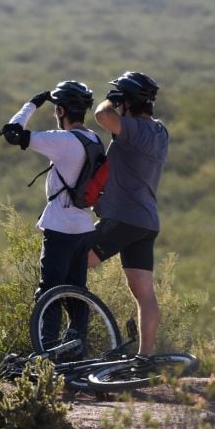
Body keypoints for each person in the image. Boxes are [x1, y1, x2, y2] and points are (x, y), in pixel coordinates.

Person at [0, 81, 100, 354]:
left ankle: (47, 351)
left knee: (50, 292)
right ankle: (76, 347)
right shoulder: (94, 139)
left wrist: (31, 104)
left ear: (60, 111)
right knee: (76, 290)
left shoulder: (63, 141)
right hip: (84, 226)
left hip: (60, 228)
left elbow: (11, 133)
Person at [87, 71, 166, 355]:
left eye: (121, 99)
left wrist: (111, 99)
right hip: (146, 221)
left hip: (123, 218)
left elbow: (101, 116)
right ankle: (145, 357)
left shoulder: (134, 129)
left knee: (73, 260)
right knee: (144, 294)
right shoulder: (159, 131)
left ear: (128, 101)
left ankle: (73, 337)